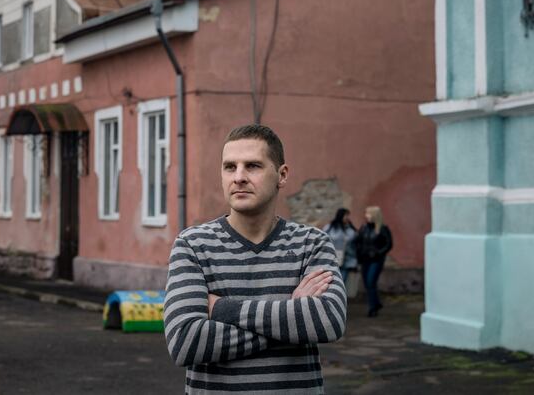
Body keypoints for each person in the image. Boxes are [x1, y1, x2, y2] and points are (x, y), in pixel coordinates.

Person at [163, 125, 347, 394]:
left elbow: (328, 321)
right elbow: (185, 343)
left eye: (252, 166)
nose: (238, 177)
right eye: (229, 167)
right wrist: (291, 317)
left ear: (281, 175)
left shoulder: (312, 243)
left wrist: (223, 309)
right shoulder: (193, 245)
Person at [355, 206, 393, 317]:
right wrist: (359, 253)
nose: (366, 216)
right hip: (365, 260)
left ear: (375, 215)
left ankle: (372, 308)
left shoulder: (383, 228)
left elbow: (389, 244)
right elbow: (358, 241)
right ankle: (376, 303)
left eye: (368, 213)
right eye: (366, 213)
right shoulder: (364, 227)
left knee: (371, 282)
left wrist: (378, 253)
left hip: (376, 260)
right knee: (367, 284)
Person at [323, 207, 358, 284]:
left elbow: (354, 244)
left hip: (346, 261)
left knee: (341, 283)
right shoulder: (330, 228)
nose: (347, 218)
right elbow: (323, 241)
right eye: (346, 215)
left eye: (348, 215)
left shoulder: (350, 229)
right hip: (331, 260)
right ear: (340, 216)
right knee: (329, 282)